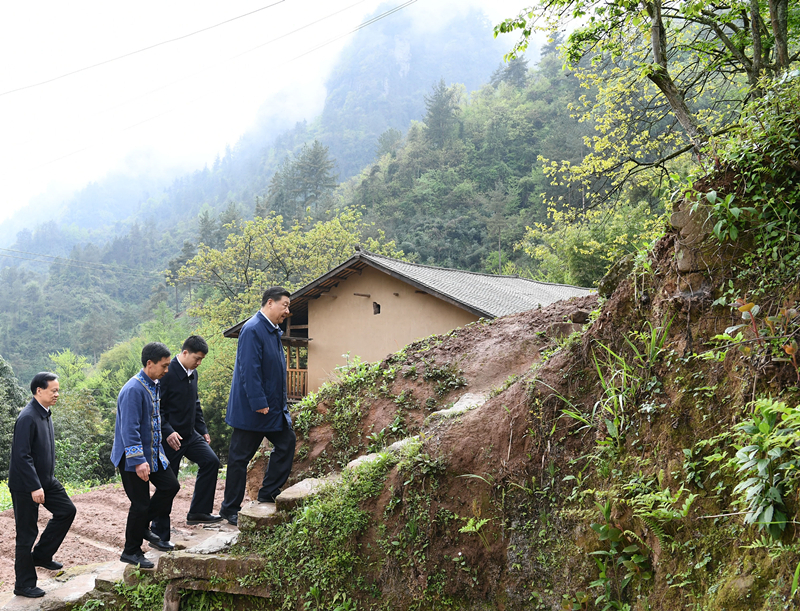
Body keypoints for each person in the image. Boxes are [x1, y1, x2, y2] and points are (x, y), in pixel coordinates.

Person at [219, 286, 296, 526]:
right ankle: (229, 509)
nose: (287, 310)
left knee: (286, 442)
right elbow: (248, 369)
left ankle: (268, 493)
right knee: (239, 458)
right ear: (270, 303)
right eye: (285, 305)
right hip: (253, 411)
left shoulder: (273, 330)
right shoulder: (252, 329)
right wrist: (258, 402)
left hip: (272, 409)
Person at [110, 342, 180, 568]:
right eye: (164, 365)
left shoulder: (153, 383)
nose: (166, 370)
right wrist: (138, 460)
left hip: (153, 452)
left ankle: (142, 528)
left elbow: (154, 420)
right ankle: (131, 551)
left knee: (170, 486)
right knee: (139, 505)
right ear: (149, 364)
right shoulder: (133, 389)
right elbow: (129, 428)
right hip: (133, 456)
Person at [8, 372, 77, 598]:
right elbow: (22, 456)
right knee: (26, 534)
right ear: (39, 390)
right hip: (26, 485)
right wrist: (34, 486)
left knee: (67, 510)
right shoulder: (28, 416)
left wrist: (44, 482)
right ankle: (24, 585)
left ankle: (42, 555)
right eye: (53, 390)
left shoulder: (45, 413)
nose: (57, 394)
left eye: (58, 390)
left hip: (46, 481)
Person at [150, 335, 222, 545]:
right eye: (197, 358)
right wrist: (168, 431)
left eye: (201, 360)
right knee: (168, 486)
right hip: (170, 439)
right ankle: (158, 534)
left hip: (190, 435)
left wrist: (203, 428)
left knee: (211, 462)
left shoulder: (193, 374)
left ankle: (199, 511)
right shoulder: (167, 373)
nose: (199, 363)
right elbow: (157, 408)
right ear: (184, 353)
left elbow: (195, 403)